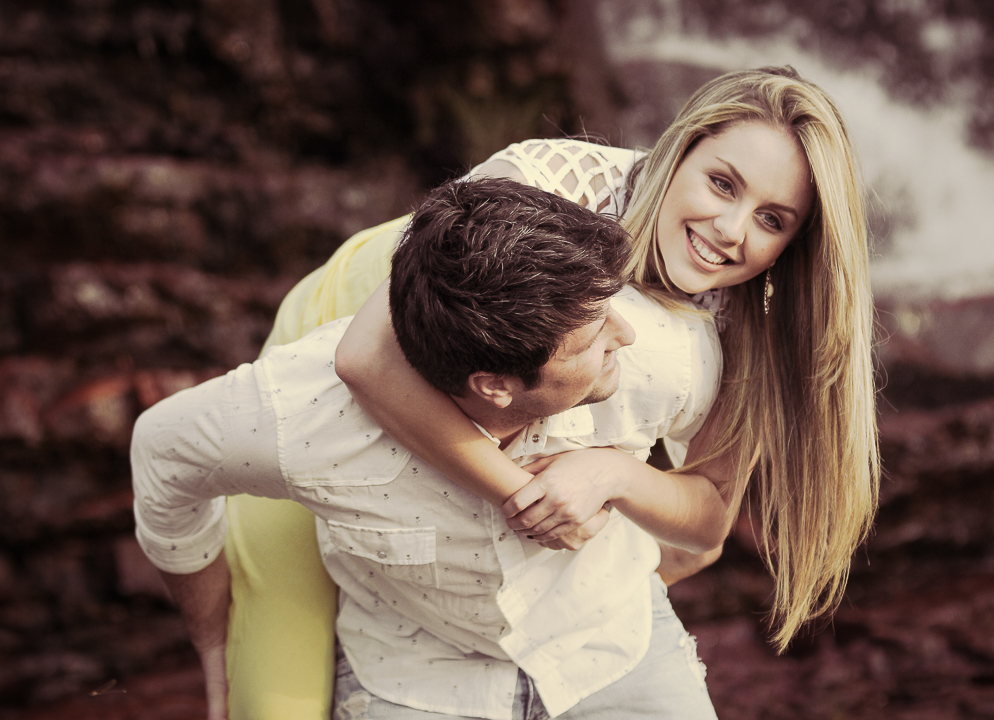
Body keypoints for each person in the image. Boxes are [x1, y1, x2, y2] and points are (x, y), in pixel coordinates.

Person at [223, 65, 881, 716]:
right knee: (275, 677)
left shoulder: (751, 314)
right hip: (346, 332)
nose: (732, 230)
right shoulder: (549, 183)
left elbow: (705, 525)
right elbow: (365, 359)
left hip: (502, 404)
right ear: (678, 150)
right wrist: (524, 500)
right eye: (721, 183)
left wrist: (608, 478)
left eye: (771, 219)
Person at [132, 177, 725, 720]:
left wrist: (619, 474)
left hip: (614, 647)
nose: (627, 333)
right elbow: (160, 450)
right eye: (597, 338)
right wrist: (210, 636)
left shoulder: (665, 353)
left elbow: (707, 523)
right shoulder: (305, 416)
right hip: (413, 679)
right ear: (496, 386)